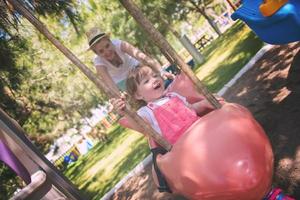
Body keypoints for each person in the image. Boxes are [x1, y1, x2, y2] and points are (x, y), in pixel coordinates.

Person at [111, 65, 219, 145]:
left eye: (155, 75)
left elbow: (191, 109)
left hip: (199, 129)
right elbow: (141, 127)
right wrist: (127, 112)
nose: (155, 80)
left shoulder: (173, 95)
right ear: (139, 95)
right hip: (182, 146)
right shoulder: (146, 111)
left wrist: (204, 103)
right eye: (147, 81)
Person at [86, 27, 174, 92]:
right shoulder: (98, 63)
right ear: (97, 54)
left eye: (107, 46)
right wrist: (119, 97)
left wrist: (161, 71)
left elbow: (142, 57)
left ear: (110, 42)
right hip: (122, 81)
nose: (107, 51)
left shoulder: (119, 44)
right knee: (140, 94)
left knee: (152, 82)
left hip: (135, 67)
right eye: (101, 51)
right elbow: (110, 84)